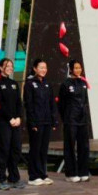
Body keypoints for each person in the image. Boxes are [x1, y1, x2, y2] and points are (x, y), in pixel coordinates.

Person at [0, 57, 25, 190]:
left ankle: (14, 178)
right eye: (7, 66)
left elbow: (18, 102)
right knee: (3, 149)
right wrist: (10, 118)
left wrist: (19, 117)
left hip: (15, 122)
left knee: (15, 149)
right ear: (1, 68)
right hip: (3, 122)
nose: (10, 68)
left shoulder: (14, 83)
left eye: (12, 66)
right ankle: (0, 179)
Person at [24, 58, 56, 186]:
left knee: (43, 149)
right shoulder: (30, 83)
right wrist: (32, 122)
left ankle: (43, 174)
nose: (44, 70)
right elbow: (29, 105)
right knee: (35, 149)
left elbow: (52, 103)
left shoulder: (47, 84)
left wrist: (53, 120)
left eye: (45, 68)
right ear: (35, 68)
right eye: (41, 67)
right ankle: (33, 176)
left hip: (46, 121)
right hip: (36, 122)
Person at [58, 59, 91, 183]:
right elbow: (61, 104)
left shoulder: (83, 83)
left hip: (82, 120)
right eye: (76, 68)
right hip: (71, 120)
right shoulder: (66, 84)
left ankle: (83, 172)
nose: (78, 70)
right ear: (71, 69)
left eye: (79, 68)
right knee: (70, 146)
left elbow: (85, 101)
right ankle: (71, 173)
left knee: (84, 146)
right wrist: (66, 117)